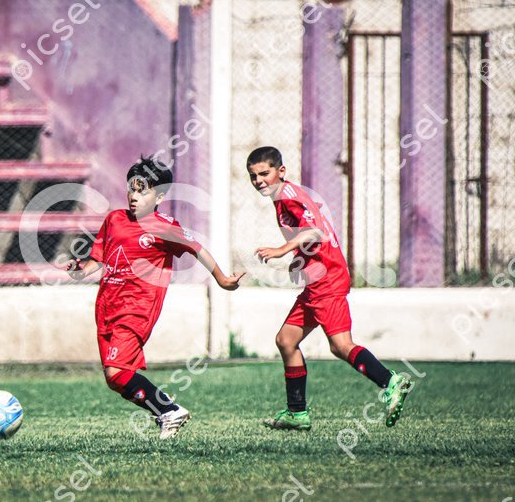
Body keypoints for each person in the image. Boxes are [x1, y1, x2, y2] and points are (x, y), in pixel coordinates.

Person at [67, 156, 243, 439]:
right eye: (132, 189)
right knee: (116, 379)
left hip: (137, 308)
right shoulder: (114, 220)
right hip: (107, 307)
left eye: (143, 191)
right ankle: (165, 409)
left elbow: (197, 248)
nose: (134, 196)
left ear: (159, 196)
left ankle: (169, 410)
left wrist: (221, 278)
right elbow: (98, 258)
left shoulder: (164, 227)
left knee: (116, 372)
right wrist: (82, 269)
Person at [247, 146, 411, 430]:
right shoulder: (286, 195)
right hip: (317, 280)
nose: (259, 180)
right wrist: (299, 259)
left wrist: (282, 250)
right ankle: (297, 413)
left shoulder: (288, 197)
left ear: (281, 171)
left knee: (340, 345)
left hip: (327, 280)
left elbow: (316, 231)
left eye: (265, 173)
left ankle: (390, 382)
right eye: (253, 176)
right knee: (286, 340)